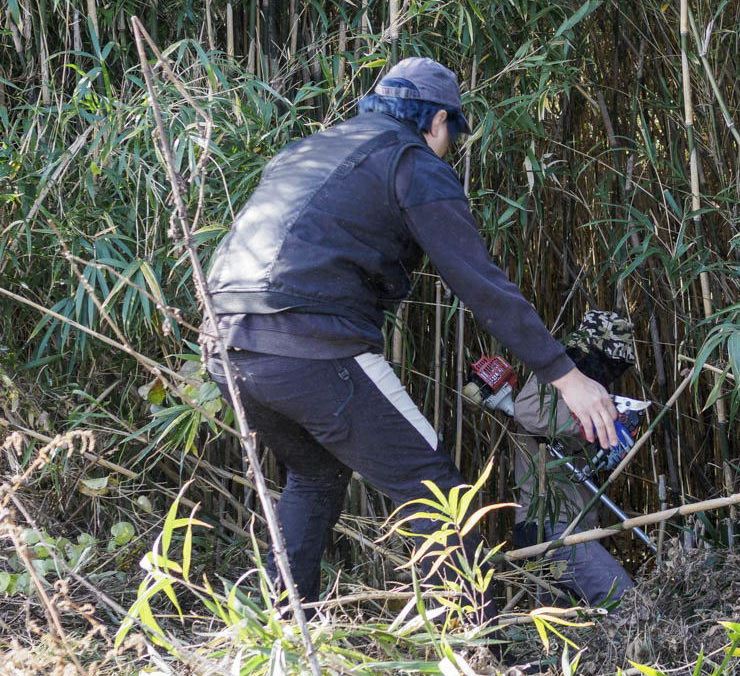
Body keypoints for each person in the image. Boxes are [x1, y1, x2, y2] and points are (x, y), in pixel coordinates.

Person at [199, 56, 619, 616]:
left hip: (226, 344)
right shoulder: (411, 160)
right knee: (442, 499)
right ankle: (478, 650)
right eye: (452, 137)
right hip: (313, 348)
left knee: (316, 472)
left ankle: (284, 629)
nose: (448, 148)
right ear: (438, 121)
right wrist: (567, 376)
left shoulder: (305, 150)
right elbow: (481, 284)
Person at [509, 310, 638, 606]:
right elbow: (527, 411)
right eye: (608, 362)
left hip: (578, 526)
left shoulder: (585, 388)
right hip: (548, 525)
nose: (611, 372)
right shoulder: (554, 378)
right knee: (623, 599)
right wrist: (592, 422)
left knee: (572, 625)